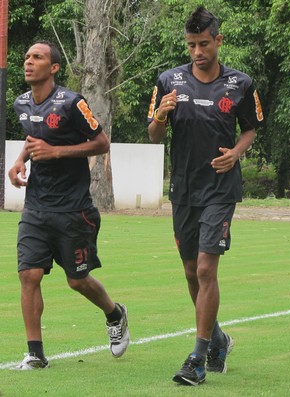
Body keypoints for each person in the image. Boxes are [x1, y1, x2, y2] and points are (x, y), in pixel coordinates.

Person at [148, 6, 263, 386]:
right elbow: (153, 135)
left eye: (203, 44)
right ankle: (217, 339)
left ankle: (197, 359)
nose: (197, 51)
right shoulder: (168, 81)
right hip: (183, 189)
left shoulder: (241, 84)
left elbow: (250, 129)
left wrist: (236, 152)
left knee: (205, 269)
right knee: (188, 271)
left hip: (220, 188)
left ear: (218, 41)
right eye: (191, 45)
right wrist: (161, 115)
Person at [8, 40, 130, 370]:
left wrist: (57, 152)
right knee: (29, 275)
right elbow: (34, 138)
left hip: (73, 209)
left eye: (37, 57)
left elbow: (102, 142)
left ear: (54, 68)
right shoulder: (22, 103)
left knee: (77, 280)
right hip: (36, 208)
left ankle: (115, 313)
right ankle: (35, 352)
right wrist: (19, 160)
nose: (29, 62)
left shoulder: (71, 103)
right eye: (27, 56)